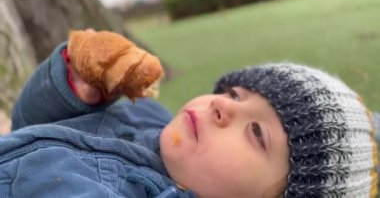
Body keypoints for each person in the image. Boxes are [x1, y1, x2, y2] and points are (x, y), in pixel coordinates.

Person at [2, 36, 378, 197]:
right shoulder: (145, 116)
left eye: (256, 133)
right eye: (235, 94)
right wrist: (72, 84)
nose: (223, 106)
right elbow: (30, 127)